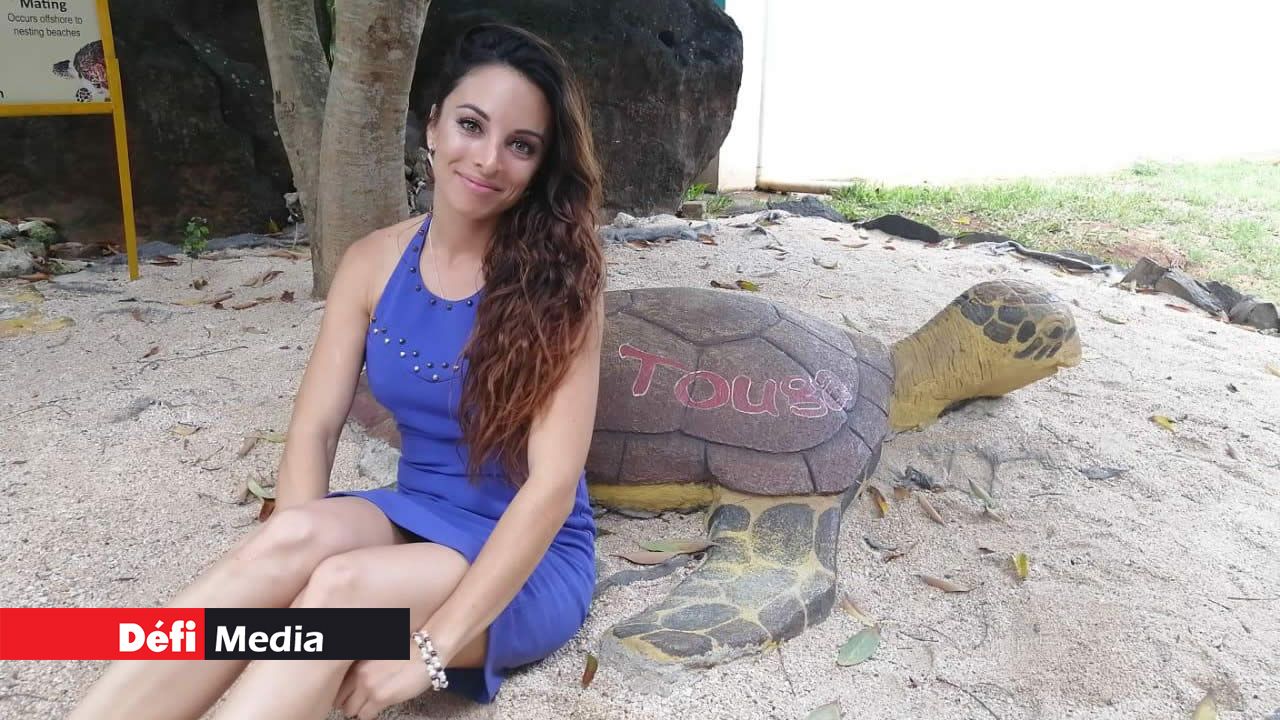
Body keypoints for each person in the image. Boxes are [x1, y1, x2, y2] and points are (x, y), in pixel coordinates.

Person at [68, 22, 606, 720]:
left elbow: (553, 488)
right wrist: (286, 565)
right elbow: (315, 427)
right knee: (293, 539)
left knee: (343, 590)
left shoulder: (562, 281)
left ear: (540, 165)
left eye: (521, 145)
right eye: (472, 125)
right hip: (411, 510)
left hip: (524, 552)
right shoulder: (371, 262)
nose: (488, 159)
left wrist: (430, 651)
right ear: (433, 124)